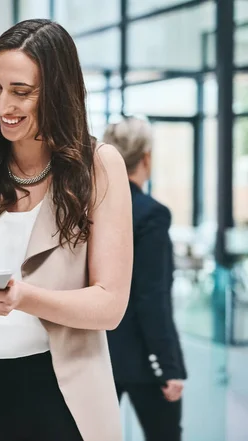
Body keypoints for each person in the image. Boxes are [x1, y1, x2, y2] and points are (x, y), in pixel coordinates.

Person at [0, 19, 133, 441]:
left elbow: (110, 305)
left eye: (22, 92)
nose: (3, 105)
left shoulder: (99, 166)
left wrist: (22, 298)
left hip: (60, 393)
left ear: (57, 93)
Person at [103, 117, 187, 441]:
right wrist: (168, 366)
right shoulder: (150, 214)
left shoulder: (90, 207)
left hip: (96, 354)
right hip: (142, 357)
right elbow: (152, 296)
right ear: (146, 158)